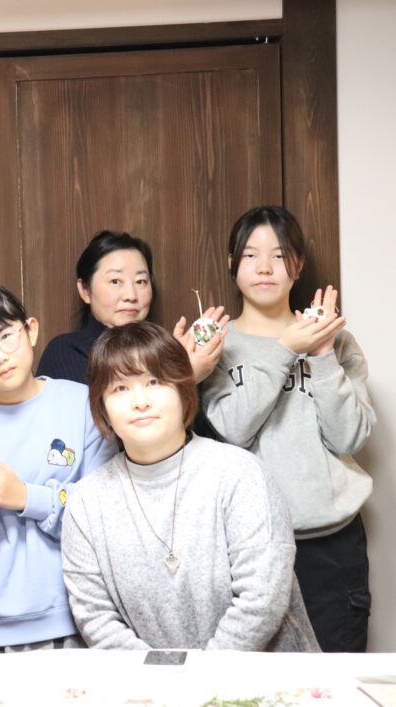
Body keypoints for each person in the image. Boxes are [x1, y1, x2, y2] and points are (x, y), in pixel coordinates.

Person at [61, 321, 318, 651]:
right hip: (147, 682)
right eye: (120, 388)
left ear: (184, 391)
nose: (140, 401)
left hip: (267, 679)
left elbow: (261, 600)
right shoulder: (86, 500)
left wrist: (199, 675)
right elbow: (94, 617)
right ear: (102, 408)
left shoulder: (239, 473)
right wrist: (160, 677)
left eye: (154, 382)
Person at [201, 206, 375, 652]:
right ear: (231, 263)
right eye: (250, 255)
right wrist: (285, 348)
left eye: (278, 255)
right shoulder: (215, 345)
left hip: (331, 545)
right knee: (250, 681)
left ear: (297, 265)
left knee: (333, 679)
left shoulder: (335, 338)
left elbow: (349, 437)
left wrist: (320, 353)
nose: (264, 267)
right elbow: (234, 431)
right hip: (248, 547)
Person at [0, 284, 115, 652]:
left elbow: (103, 515)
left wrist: (25, 497)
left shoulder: (82, 405)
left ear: (31, 331)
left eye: (6, 336)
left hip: (74, 621)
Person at [36, 230, 228, 386]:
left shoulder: (162, 353)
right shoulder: (65, 351)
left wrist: (178, 362)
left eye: (140, 281)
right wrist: (184, 378)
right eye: (115, 281)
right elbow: (95, 421)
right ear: (85, 290)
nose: (131, 295)